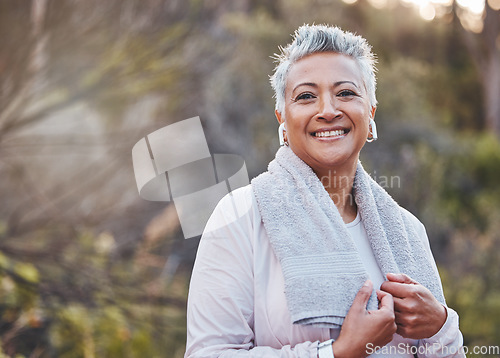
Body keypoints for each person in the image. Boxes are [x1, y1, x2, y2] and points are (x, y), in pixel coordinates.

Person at [185, 24, 465, 358]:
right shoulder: (239, 216)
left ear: (370, 114)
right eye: (306, 96)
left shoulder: (407, 231)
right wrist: (336, 352)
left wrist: (442, 327)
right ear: (283, 121)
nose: (328, 110)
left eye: (346, 93)